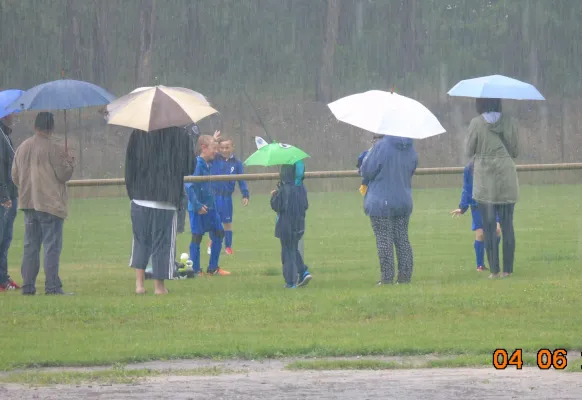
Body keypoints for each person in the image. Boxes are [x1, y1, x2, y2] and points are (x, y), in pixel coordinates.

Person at [11, 112, 74, 295]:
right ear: (52, 127)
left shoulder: (22, 147)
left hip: (28, 203)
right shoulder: (54, 148)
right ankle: (52, 286)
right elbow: (64, 175)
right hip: (50, 204)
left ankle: (28, 287)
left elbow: (15, 176)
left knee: (30, 247)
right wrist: (69, 162)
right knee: (51, 247)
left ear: (35, 126)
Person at [125, 126, 192, 295]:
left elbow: (129, 165)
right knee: (162, 243)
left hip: (140, 197)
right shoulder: (180, 134)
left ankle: (139, 285)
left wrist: (133, 193)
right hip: (166, 199)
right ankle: (159, 287)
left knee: (141, 241)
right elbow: (189, 167)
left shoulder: (138, 133)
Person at [466, 98, 518, 279]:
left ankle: (494, 270)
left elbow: (469, 150)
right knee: (507, 225)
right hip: (506, 178)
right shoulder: (509, 121)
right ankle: (508, 270)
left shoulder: (476, 123)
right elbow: (515, 150)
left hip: (485, 181)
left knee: (488, 227)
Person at [360, 135, 417, 285]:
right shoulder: (410, 147)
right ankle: (405, 276)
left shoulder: (381, 146)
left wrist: (369, 153)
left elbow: (367, 171)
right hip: (403, 199)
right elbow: (411, 169)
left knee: (384, 240)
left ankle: (386, 278)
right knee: (402, 239)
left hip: (381, 201)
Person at [186, 135, 230, 276]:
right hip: (198, 209)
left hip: (211, 207)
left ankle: (213, 268)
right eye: (213, 148)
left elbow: (210, 146)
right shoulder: (197, 164)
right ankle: (196, 270)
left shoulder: (208, 163)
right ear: (204, 148)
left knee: (219, 233)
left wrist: (213, 138)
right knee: (197, 237)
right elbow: (188, 186)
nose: (216, 152)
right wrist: (197, 205)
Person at [449, 159, 501, 272]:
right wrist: (462, 207)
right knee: (481, 234)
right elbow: (466, 189)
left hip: (493, 203)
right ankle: (480, 266)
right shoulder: (469, 168)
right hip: (476, 205)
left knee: (497, 230)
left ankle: (492, 258)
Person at [207, 136, 249, 256]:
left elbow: (242, 180)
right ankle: (212, 243)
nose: (224, 150)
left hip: (226, 198)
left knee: (227, 222)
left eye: (227, 147)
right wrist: (213, 139)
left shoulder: (237, 163)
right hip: (214, 196)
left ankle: (228, 247)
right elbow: (205, 150)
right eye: (222, 148)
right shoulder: (214, 158)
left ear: (232, 147)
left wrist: (245, 194)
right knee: (214, 221)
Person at [270, 164, 310, 288]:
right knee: (293, 248)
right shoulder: (301, 187)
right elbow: (305, 205)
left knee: (287, 253)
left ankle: (290, 281)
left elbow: (277, 206)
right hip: (299, 224)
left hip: (286, 225)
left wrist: (274, 196)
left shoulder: (285, 189)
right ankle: (303, 271)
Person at [0, 113, 20, 291]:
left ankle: (3, 277)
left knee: (6, 240)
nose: (14, 115)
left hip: (11, 194)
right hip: (4, 198)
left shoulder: (5, 134)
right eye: (11, 112)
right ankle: (1, 280)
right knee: (2, 240)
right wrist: (4, 196)